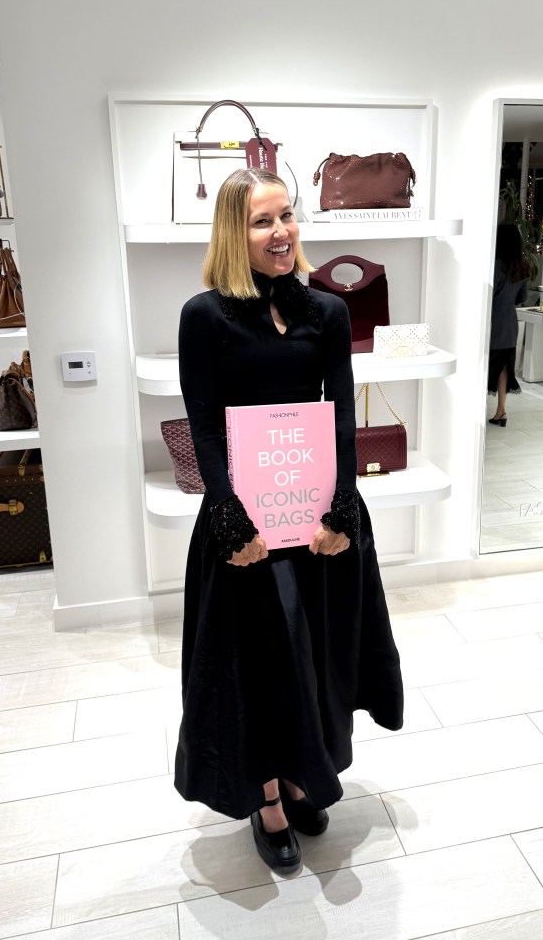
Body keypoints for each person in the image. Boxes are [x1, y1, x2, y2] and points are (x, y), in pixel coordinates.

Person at [174, 168, 404, 875]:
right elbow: (204, 429)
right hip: (243, 524)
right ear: (232, 233)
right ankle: (267, 795)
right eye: (262, 221)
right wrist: (230, 516)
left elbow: (339, 416)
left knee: (317, 654)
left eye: (287, 216)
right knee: (259, 661)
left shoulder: (326, 311)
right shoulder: (204, 317)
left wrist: (341, 506)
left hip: (318, 520)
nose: (281, 233)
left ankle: (306, 772)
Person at [487, 223, 530, 426]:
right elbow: (522, 297)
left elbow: (488, 294)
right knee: (504, 368)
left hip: (492, 322)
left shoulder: (494, 266)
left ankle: (477, 411)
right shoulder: (521, 267)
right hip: (510, 324)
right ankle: (501, 411)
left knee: (486, 365)